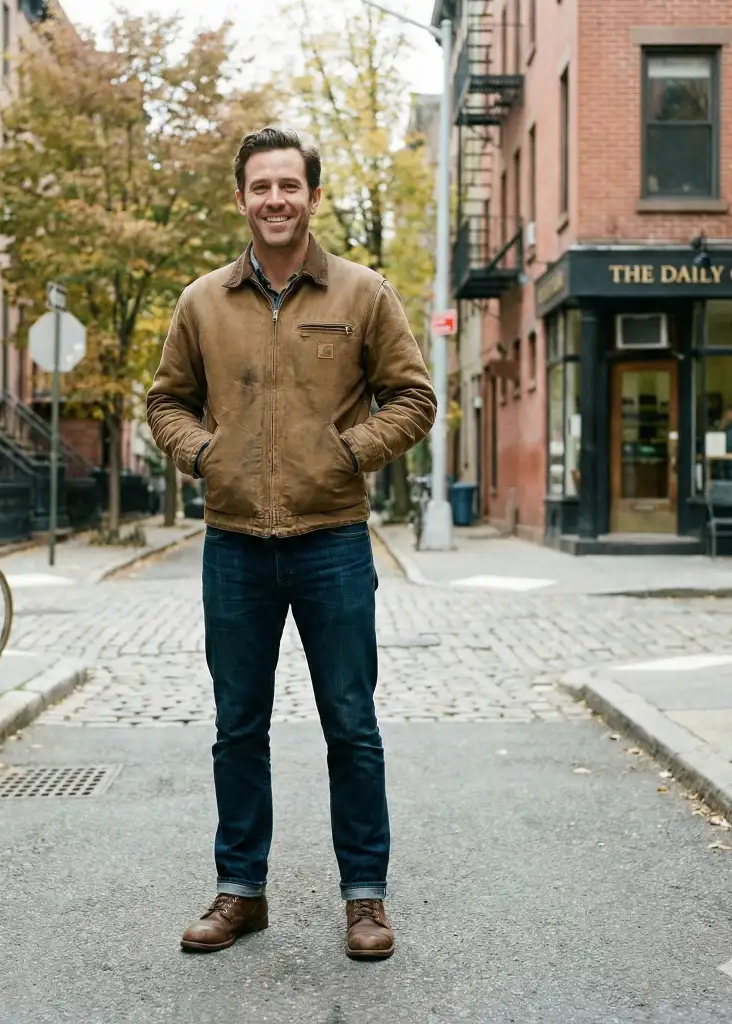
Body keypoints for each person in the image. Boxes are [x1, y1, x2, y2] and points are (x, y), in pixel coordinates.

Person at [145, 126, 437, 961]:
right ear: (240, 199)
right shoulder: (202, 302)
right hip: (234, 546)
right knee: (239, 726)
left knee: (351, 724)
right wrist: (204, 453)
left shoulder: (363, 293)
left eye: (289, 186)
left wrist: (349, 451)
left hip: (333, 541)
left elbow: (412, 398)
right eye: (260, 187)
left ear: (313, 195)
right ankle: (241, 892)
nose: (275, 199)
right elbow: (165, 400)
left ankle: (366, 898)